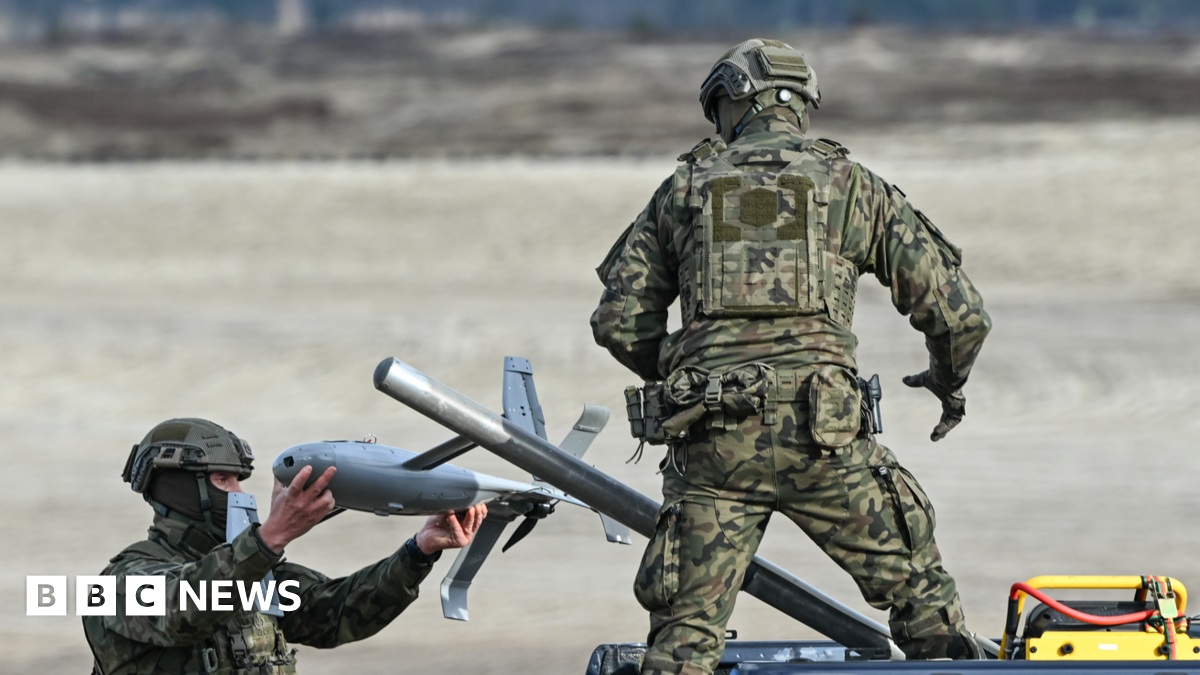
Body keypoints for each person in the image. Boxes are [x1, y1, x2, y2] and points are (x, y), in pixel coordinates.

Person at [591, 39, 992, 674]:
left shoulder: (683, 189)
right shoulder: (854, 187)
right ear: (801, 104)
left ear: (732, 103)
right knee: (925, 607)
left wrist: (692, 374)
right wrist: (948, 382)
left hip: (714, 447)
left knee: (683, 641)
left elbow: (619, 322)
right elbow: (960, 315)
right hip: (827, 441)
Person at [83, 417, 486, 674]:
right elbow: (182, 611)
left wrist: (418, 551)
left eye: (239, 480)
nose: (240, 493)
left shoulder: (255, 571)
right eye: (223, 480)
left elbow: (337, 614)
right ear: (180, 490)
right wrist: (269, 538)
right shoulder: (118, 583)